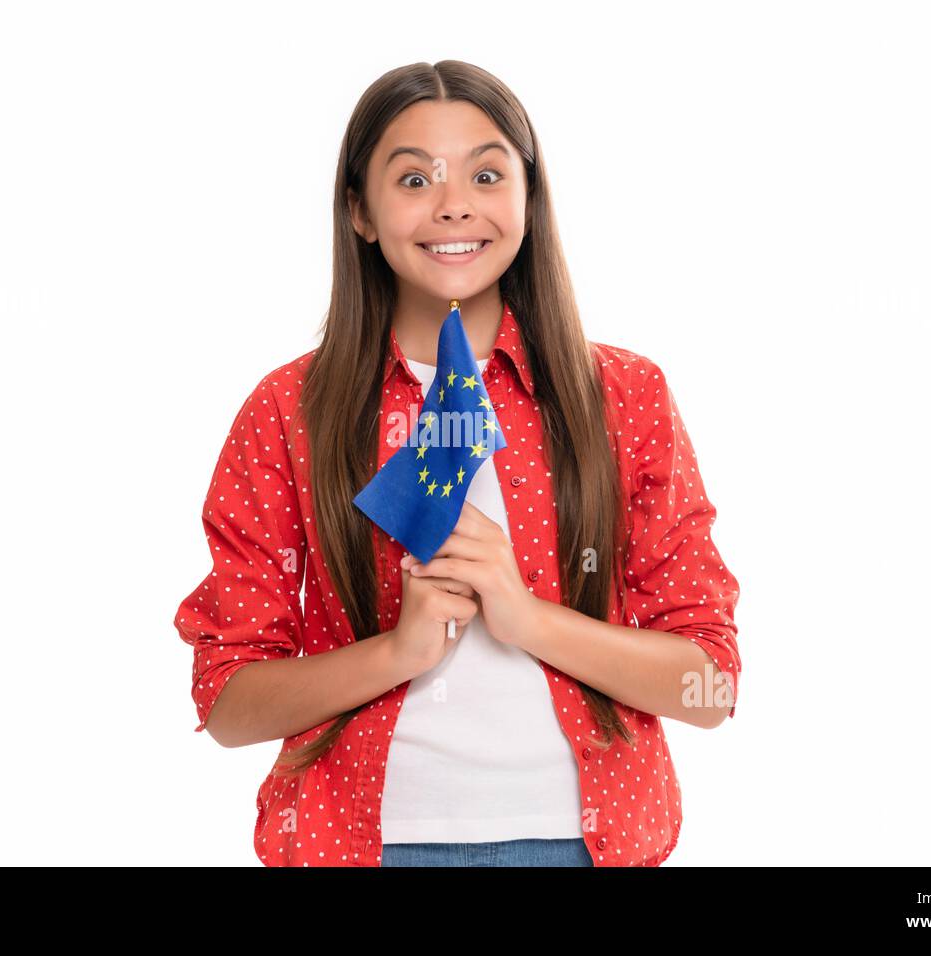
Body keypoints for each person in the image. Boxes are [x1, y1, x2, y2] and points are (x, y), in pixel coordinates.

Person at [172, 60, 742, 867]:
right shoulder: (287, 412)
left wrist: (528, 617)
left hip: (584, 844)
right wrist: (398, 652)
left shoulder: (626, 396)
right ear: (359, 212)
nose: (453, 203)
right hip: (363, 844)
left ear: (528, 201)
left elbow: (711, 688)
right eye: (413, 178)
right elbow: (228, 706)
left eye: (485, 172)